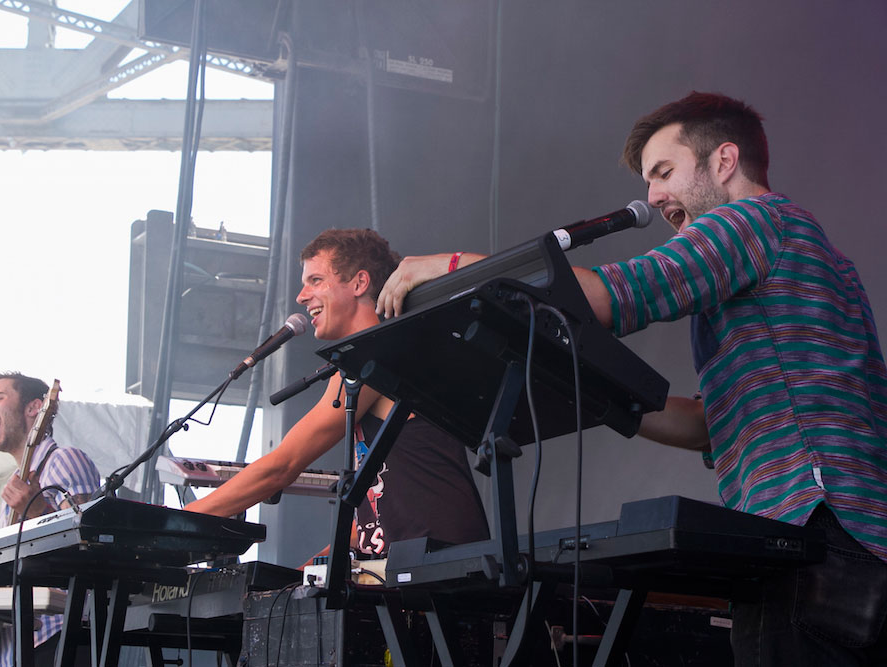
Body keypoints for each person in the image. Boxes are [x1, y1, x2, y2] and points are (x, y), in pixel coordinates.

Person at [376, 92, 887, 665]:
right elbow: (705, 428)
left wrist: (452, 268)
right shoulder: (812, 255)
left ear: (724, 161)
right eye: (648, 181)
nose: (652, 197)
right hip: (852, 546)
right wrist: (592, 390)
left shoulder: (752, 221)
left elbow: (618, 292)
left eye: (664, 172)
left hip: (812, 534)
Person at [184, 228, 489, 557]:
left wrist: (182, 521)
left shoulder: (377, 351)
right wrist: (305, 577)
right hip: (411, 563)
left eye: (315, 280)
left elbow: (283, 465)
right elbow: (379, 508)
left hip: (440, 567)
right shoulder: (364, 360)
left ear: (359, 283)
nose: (302, 296)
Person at [0, 372, 101, 667]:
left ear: (34, 408)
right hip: (15, 649)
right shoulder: (12, 487)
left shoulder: (63, 460)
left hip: (58, 641)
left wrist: (39, 511)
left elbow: (93, 545)